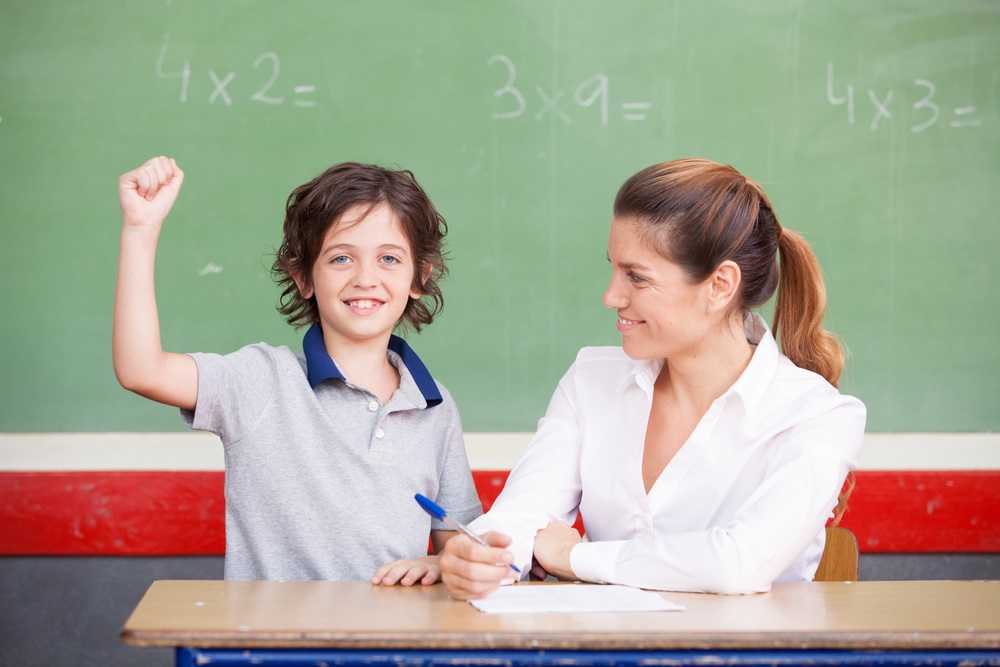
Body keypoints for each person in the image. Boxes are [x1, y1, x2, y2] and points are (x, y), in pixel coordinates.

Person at [431, 158, 866, 598]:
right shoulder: (592, 380)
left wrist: (576, 558)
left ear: (720, 285)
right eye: (614, 269)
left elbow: (740, 565)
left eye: (637, 278)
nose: (611, 296)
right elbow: (523, 515)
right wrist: (482, 556)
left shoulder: (818, 416)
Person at [113, 156, 481, 581]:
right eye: (341, 258)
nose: (366, 277)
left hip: (391, 642)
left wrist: (442, 564)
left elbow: (456, 542)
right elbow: (141, 370)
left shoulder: (434, 405)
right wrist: (141, 230)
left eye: (390, 259)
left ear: (420, 276)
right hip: (274, 643)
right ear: (304, 277)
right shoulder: (262, 380)